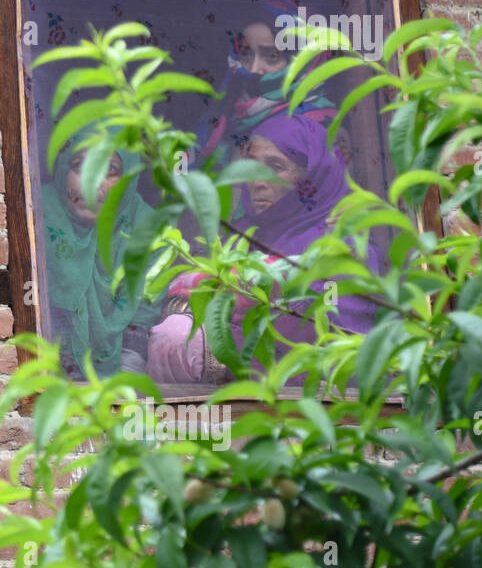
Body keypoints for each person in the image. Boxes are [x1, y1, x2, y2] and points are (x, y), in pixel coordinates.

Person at [146, 113, 381, 384]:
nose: (257, 181)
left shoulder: (344, 248)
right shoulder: (243, 233)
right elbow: (182, 291)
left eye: (276, 166)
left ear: (312, 176)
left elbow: (334, 347)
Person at [42, 144, 163, 378]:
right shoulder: (36, 211)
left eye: (110, 170)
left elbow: (142, 319)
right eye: (79, 166)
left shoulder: (147, 229)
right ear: (63, 170)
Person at [196, 0, 339, 167]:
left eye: (272, 56)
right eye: (245, 54)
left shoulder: (316, 131)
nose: (254, 69)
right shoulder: (224, 109)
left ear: (304, 62)